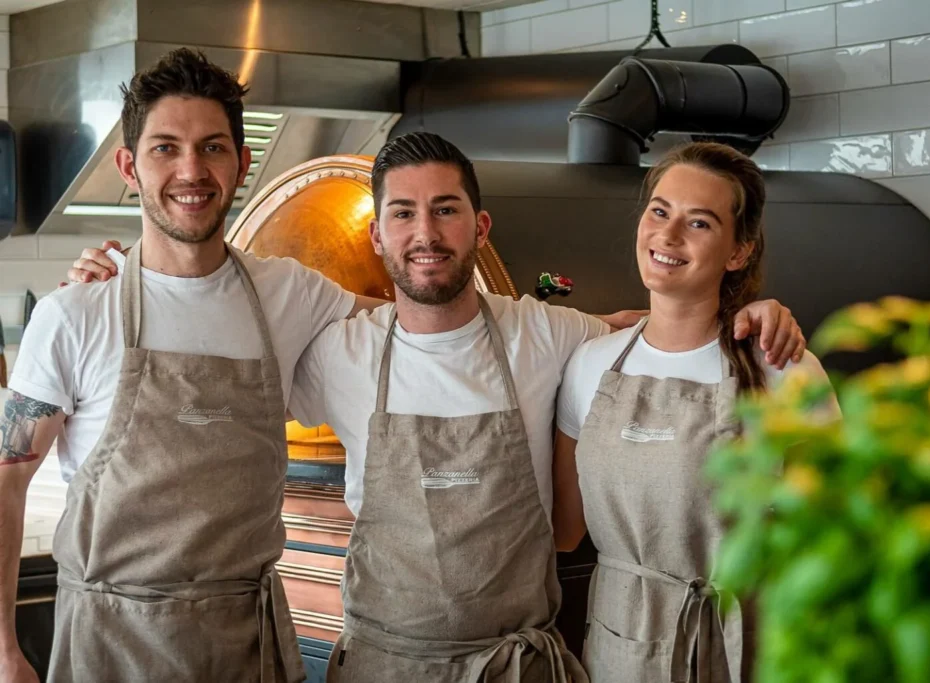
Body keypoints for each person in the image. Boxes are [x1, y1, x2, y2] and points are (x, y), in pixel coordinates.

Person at [63, 131, 807, 681]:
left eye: (446, 211)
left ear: (479, 229)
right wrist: (116, 282)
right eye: (405, 216)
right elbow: (205, 337)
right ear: (380, 236)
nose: (426, 234)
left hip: (516, 665)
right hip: (384, 666)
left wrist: (756, 313)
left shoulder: (549, 336)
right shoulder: (338, 350)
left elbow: (646, 332)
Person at [0, 48, 384, 683]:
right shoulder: (75, 314)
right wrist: (3, 649)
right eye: (165, 148)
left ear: (242, 162)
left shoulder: (290, 292)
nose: (191, 170)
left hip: (250, 647)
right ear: (128, 166)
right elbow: (7, 479)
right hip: (111, 646)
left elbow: (425, 323)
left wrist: (578, 326)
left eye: (212, 147)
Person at [551, 142, 839, 683]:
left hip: (744, 645)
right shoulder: (589, 365)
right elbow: (564, 530)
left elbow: (831, 538)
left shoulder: (782, 369)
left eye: (699, 223)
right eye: (659, 211)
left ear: (739, 252)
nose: (668, 234)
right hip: (621, 647)